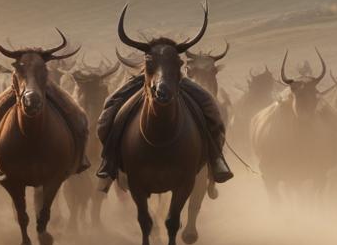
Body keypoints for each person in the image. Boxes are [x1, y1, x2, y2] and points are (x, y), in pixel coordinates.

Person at [94, 74, 233, 190]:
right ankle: (110, 162)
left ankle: (215, 159)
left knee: (209, 105)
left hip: (174, 78)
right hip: (146, 78)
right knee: (111, 107)